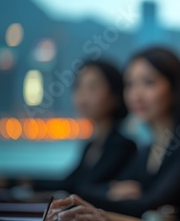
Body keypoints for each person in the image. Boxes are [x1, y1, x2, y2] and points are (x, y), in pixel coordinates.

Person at [47, 47, 180, 220]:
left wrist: (91, 205)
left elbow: (149, 205)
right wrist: (109, 191)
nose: (136, 94)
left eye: (148, 82)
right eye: (130, 84)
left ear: (175, 88)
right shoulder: (147, 151)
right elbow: (114, 191)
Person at [28, 60, 137, 198]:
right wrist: (20, 181)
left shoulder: (122, 145)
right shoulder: (92, 144)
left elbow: (80, 187)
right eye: (78, 86)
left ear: (115, 96)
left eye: (92, 87)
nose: (82, 95)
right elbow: (69, 183)